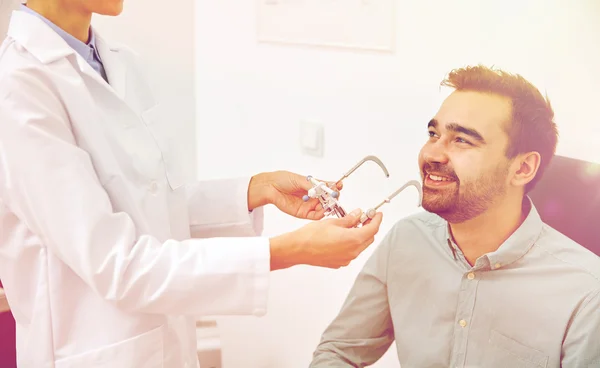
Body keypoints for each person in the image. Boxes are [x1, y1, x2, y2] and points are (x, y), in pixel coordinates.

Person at [0, 1, 384, 367]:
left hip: (164, 344)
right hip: (92, 349)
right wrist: (290, 251)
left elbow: (153, 204)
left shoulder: (118, 63)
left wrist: (254, 191)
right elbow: (119, 266)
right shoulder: (21, 88)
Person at [310, 65, 600, 367]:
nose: (433, 154)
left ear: (523, 168)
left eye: (462, 140)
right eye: (433, 134)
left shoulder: (587, 294)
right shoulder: (407, 239)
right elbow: (338, 352)